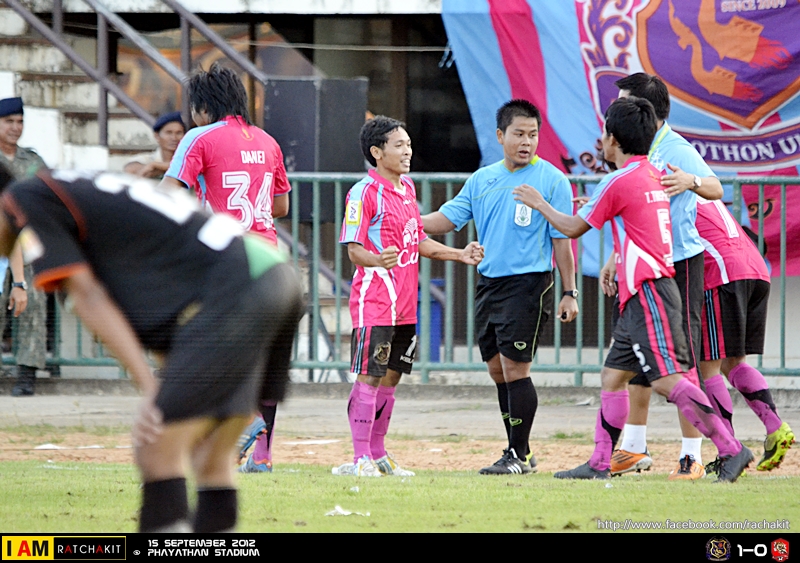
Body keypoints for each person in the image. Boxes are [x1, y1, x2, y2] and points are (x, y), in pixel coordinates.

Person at [0, 164, 302, 531]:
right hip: (273, 274)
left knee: (155, 446)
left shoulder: (27, 199)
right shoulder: (75, 188)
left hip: (236, 288)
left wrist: (151, 389)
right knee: (211, 457)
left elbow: (89, 297)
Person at [513, 96, 753, 482]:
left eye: (604, 133)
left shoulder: (619, 179)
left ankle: (731, 448)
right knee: (613, 377)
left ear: (613, 139)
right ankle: (600, 462)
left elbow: (573, 228)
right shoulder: (652, 173)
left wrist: (539, 202)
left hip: (650, 294)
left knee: (667, 380)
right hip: (645, 292)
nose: (601, 141)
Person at [422, 99, 578, 475]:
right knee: (497, 370)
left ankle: (517, 455)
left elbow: (562, 242)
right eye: (519, 134)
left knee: (516, 368)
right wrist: (405, 217)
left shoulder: (553, 180)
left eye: (533, 135)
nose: (526, 142)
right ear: (500, 136)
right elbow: (448, 218)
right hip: (489, 284)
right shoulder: (482, 179)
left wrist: (570, 292)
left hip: (529, 284)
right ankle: (519, 448)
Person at [333, 115, 484, 477]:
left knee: (392, 377)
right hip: (375, 300)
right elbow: (354, 250)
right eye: (399, 145)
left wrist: (459, 254)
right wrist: (376, 259)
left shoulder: (408, 189)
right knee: (369, 375)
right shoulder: (363, 193)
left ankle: (378, 453)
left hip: (405, 303)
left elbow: (418, 241)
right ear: (377, 152)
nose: (407, 152)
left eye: (409, 144)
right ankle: (359, 459)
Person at [160, 64, 291, 473]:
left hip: (224, 260)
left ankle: (241, 421)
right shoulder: (268, 142)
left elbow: (166, 195)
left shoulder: (200, 137)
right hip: (269, 260)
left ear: (203, 106)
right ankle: (261, 457)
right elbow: (281, 205)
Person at [606, 73, 724, 480]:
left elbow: (715, 188)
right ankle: (633, 448)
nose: (615, 109)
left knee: (681, 360)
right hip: (640, 266)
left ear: (646, 110)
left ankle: (692, 456)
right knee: (635, 358)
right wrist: (615, 257)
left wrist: (692, 181)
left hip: (678, 266)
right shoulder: (636, 150)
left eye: (623, 102)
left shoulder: (676, 148)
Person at [695, 197, 794, 473]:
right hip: (755, 270)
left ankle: (729, 451)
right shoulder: (702, 189)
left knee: (707, 367)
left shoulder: (672, 194)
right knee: (734, 363)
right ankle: (775, 427)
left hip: (722, 273)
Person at [0, 97, 48, 396]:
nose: (16, 127)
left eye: (20, 122)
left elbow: (49, 192)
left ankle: (27, 374)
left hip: (27, 237)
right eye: (9, 122)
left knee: (32, 299)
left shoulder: (32, 160)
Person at [123, 111, 186, 179]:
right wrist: (159, 167)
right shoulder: (147, 159)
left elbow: (188, 166)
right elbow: (130, 169)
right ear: (157, 136)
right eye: (169, 133)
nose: (174, 138)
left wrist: (155, 166)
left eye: (178, 133)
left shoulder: (188, 159)